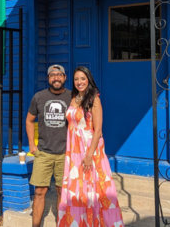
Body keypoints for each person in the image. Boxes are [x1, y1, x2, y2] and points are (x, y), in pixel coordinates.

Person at [58, 66, 123, 227]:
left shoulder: (94, 99)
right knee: (76, 188)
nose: (79, 82)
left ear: (89, 80)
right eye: (76, 79)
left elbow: (98, 130)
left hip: (89, 149)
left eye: (82, 78)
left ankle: (95, 222)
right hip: (73, 150)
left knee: (92, 187)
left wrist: (89, 156)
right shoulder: (74, 98)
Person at [26, 64, 73, 227]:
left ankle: (62, 224)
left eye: (59, 74)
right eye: (52, 75)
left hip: (65, 153)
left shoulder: (73, 97)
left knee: (62, 192)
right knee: (40, 191)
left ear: (65, 77)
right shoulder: (39, 97)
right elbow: (29, 120)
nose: (56, 78)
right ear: (48, 79)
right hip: (44, 152)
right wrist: (32, 144)